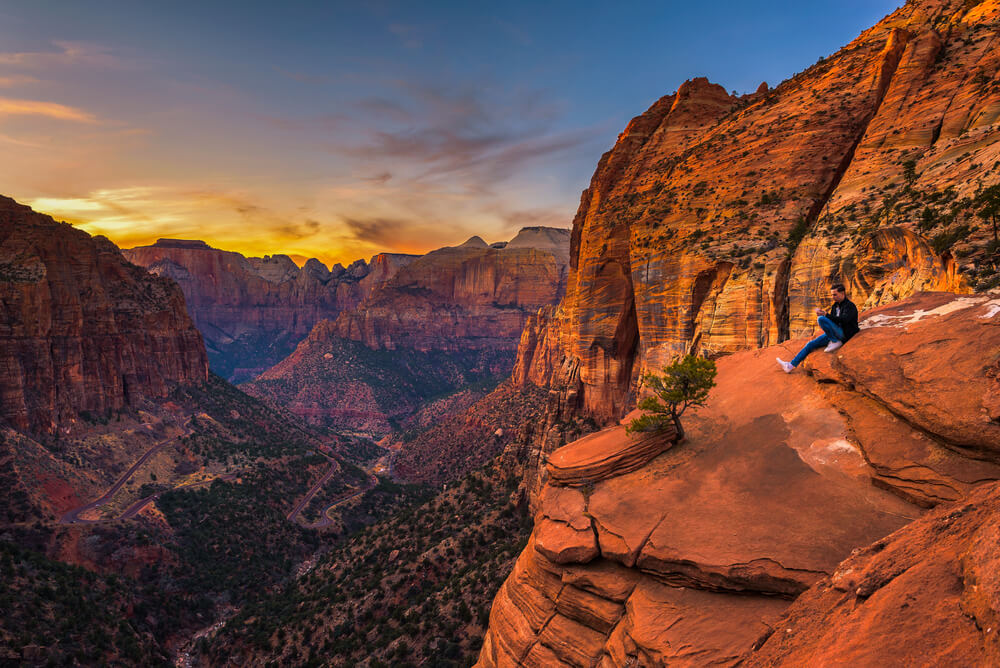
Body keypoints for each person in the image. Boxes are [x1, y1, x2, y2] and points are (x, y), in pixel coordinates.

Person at [777, 283, 859, 373]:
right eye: (832, 295)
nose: (833, 297)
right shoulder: (835, 306)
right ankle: (790, 366)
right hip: (836, 331)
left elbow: (844, 320)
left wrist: (826, 315)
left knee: (821, 319)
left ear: (842, 293)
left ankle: (835, 341)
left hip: (844, 333)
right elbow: (834, 320)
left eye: (835, 294)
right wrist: (825, 315)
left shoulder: (850, 306)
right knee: (810, 344)